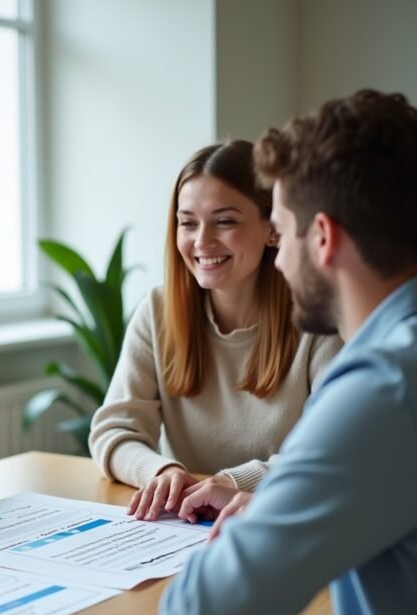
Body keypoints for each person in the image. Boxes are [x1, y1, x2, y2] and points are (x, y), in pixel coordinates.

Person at [156, 90, 417, 615]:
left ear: (322, 238)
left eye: (283, 231)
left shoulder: (383, 388)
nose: (277, 260)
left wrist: (264, 511)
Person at [89, 140, 340, 520]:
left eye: (224, 221)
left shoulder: (319, 320)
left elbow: (334, 449)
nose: (202, 242)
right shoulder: (157, 312)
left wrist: (234, 483)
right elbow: (113, 431)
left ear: (272, 229)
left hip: (276, 521)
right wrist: (161, 471)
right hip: (183, 526)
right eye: (188, 223)